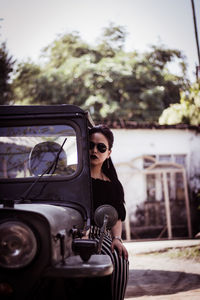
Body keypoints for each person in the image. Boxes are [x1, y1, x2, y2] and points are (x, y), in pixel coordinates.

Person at [89, 124, 129, 300]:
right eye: (90, 145)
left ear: (108, 153)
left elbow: (117, 216)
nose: (94, 150)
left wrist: (117, 239)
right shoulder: (71, 177)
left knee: (118, 258)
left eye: (101, 147)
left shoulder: (112, 185)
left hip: (101, 234)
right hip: (71, 233)